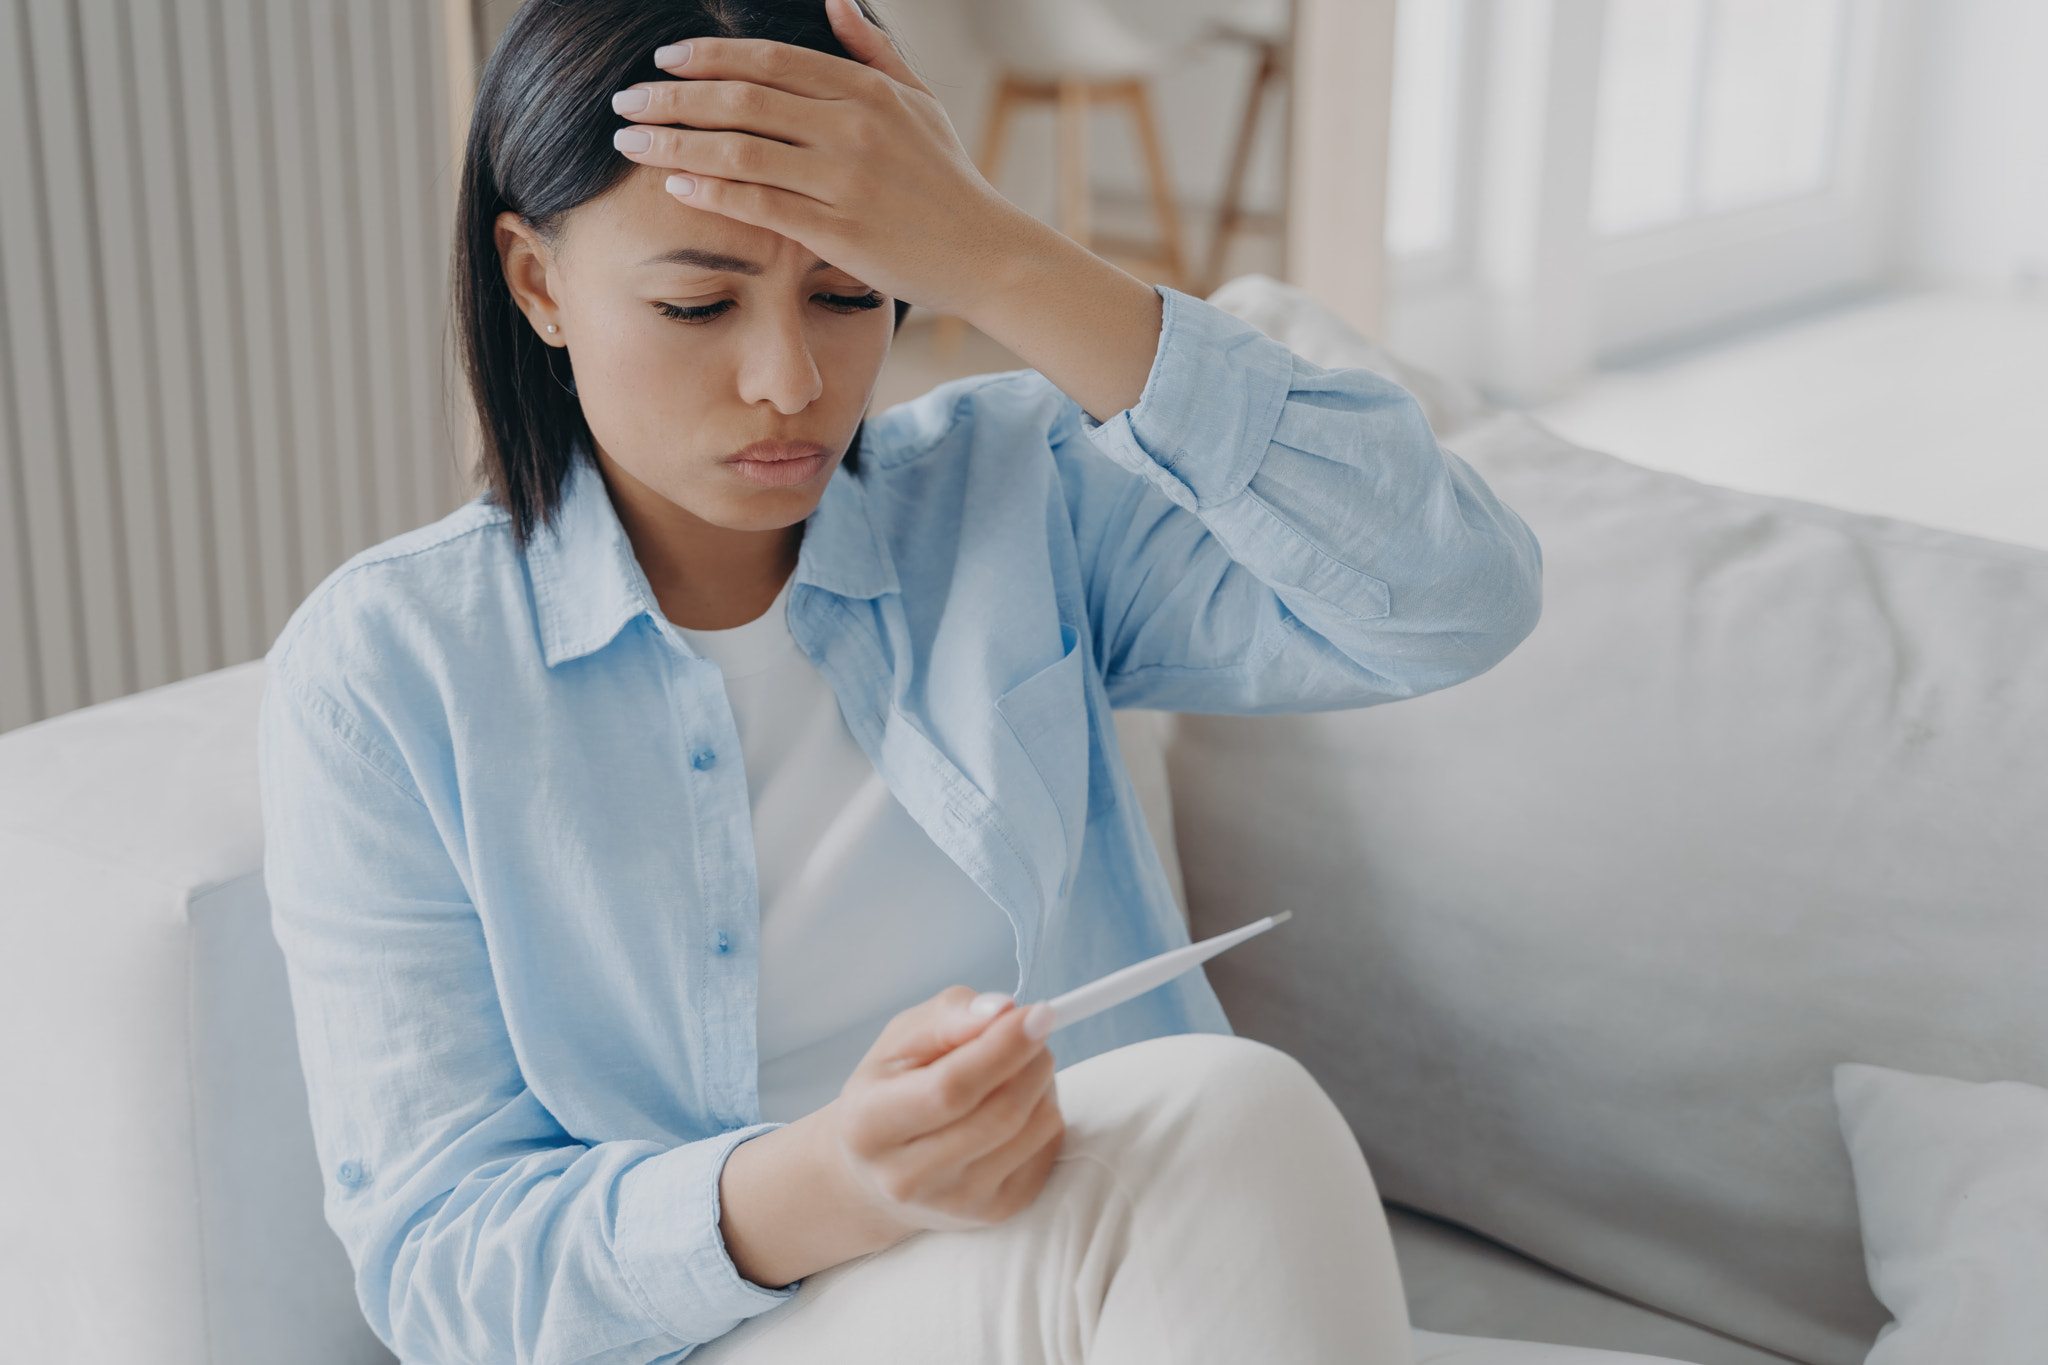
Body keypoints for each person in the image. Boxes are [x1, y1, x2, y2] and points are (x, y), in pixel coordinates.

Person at [256, 0, 1543, 1360]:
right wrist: (832, 1185)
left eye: (849, 291)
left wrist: (1000, 253)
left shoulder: (1011, 495)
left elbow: (1452, 598)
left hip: (1119, 1291)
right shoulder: (389, 670)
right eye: (698, 304)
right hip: (742, 1326)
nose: (789, 380)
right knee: (1234, 1116)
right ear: (536, 283)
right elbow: (444, 1269)